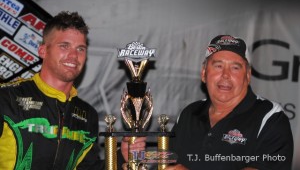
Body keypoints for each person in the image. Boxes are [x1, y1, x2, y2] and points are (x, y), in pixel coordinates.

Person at [0, 11, 144, 169]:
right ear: (43, 51)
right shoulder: (7, 97)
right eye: (64, 46)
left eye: (80, 49)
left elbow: (88, 168)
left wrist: (121, 157)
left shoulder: (88, 114)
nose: (74, 55)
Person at [165, 35, 294, 170]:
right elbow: (167, 163)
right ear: (203, 73)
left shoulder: (270, 117)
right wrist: (141, 153)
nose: (226, 75)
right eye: (218, 66)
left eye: (235, 68)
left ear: (248, 75)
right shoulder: (189, 113)